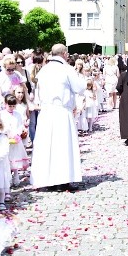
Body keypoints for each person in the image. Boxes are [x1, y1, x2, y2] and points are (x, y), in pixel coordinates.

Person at [30, 44, 86, 190]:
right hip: (61, 111)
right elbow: (80, 88)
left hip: (46, 111)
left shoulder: (44, 70)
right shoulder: (66, 69)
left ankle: (48, 179)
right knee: (62, 146)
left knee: (47, 146)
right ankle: (62, 180)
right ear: (64, 54)